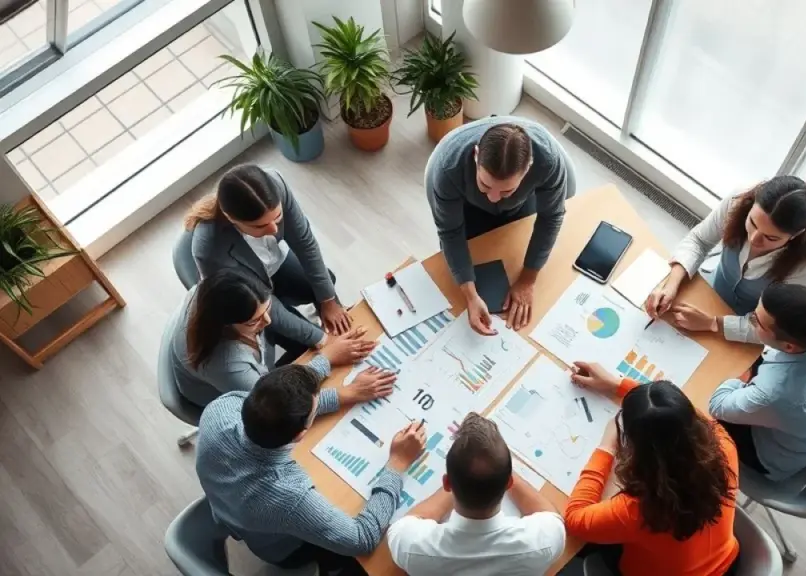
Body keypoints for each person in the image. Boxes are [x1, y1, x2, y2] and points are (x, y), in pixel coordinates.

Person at [195, 362, 426, 573]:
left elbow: (278, 407)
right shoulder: (288, 495)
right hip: (285, 549)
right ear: (300, 435)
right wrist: (397, 463)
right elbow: (362, 538)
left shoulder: (222, 407)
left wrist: (347, 393)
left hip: (230, 506)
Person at [565, 363, 740, 576]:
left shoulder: (639, 509)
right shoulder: (723, 445)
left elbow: (575, 519)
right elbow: (680, 413)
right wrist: (619, 386)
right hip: (724, 561)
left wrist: (606, 447)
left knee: (578, 547)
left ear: (636, 446)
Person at [425, 117, 576, 335]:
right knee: (469, 267)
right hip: (466, 205)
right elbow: (450, 231)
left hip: (522, 203)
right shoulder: (448, 167)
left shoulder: (548, 161)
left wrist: (527, 280)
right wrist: (470, 295)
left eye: (505, 190)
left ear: (529, 168)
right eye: (485, 184)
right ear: (476, 156)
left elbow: (551, 217)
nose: (494, 198)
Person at [646, 176, 806, 343]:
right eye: (752, 223)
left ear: (796, 235)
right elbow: (699, 240)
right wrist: (672, 285)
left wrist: (713, 323)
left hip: (745, 330)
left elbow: (774, 325)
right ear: (752, 204)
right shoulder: (738, 201)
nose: (754, 239)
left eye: (771, 238)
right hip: (707, 295)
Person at [185, 163, 353, 344]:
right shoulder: (209, 249)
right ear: (231, 218)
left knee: (326, 283)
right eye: (260, 226)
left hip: (275, 264)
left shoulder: (275, 183)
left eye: (277, 218)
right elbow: (262, 306)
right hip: (249, 296)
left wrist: (328, 302)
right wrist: (322, 340)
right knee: (299, 343)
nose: (274, 229)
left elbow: (305, 243)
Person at [387, 412, 566, 575]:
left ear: (447, 483)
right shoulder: (542, 542)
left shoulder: (411, 546)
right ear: (508, 483)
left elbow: (409, 522)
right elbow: (549, 515)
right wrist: (497, 470)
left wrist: (462, 479)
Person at [167, 269, 375, 407]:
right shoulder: (227, 365)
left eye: (266, 309)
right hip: (236, 395)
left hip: (252, 374)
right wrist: (345, 390)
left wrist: (325, 344)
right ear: (225, 325)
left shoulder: (214, 291)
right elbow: (277, 404)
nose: (267, 321)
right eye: (253, 321)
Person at [708, 283, 806, 481]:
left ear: (789, 346)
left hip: (773, 455)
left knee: (696, 413)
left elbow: (717, 405)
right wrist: (712, 323)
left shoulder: (775, 393)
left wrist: (742, 377)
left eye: (755, 320)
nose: (750, 320)